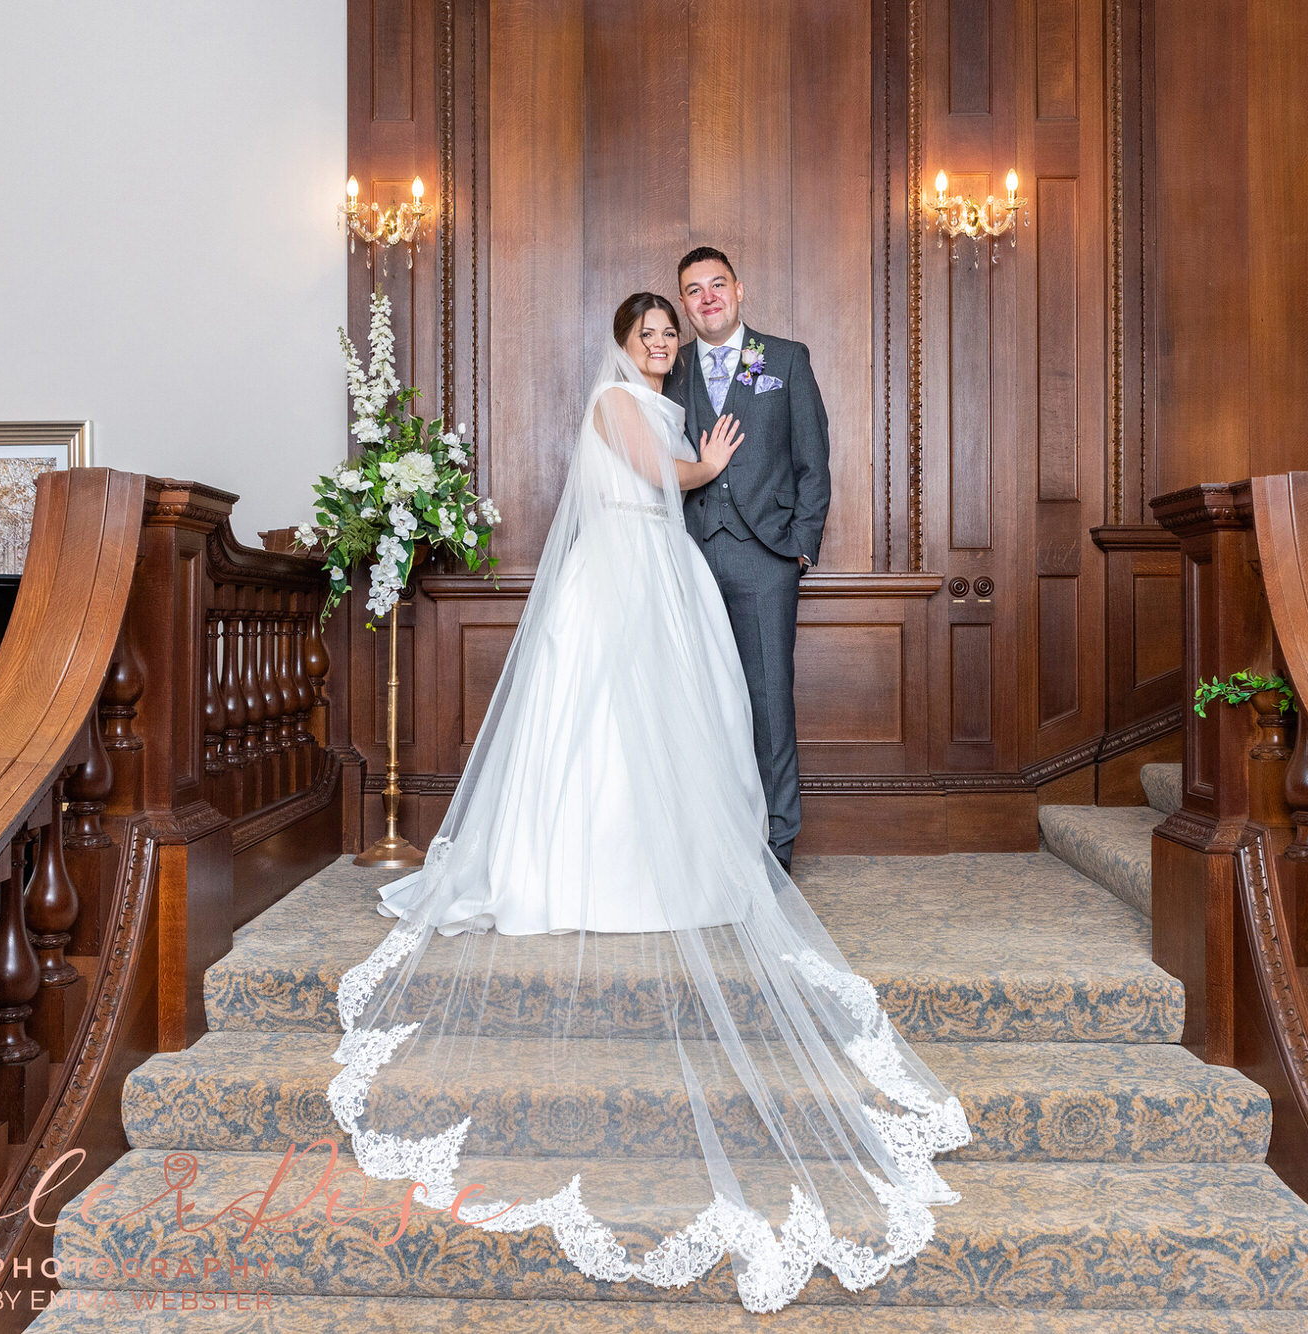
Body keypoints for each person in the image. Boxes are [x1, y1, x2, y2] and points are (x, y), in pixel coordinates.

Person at [331, 292, 965, 1314]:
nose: (662, 344)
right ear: (623, 346)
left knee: (676, 723)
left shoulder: (657, 396)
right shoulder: (621, 404)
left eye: (670, 334)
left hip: (663, 569)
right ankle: (585, 864)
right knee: (606, 725)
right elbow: (657, 476)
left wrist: (709, 471)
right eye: (649, 334)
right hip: (622, 572)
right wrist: (704, 467)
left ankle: (670, 858)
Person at [665, 247, 829, 873]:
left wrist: (801, 547)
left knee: (768, 703)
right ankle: (706, 846)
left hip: (767, 561)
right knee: (696, 701)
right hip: (690, 554)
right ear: (682, 303)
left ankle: (776, 846)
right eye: (693, 290)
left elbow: (815, 461)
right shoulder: (668, 366)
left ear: (740, 291)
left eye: (717, 285)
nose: (706, 297)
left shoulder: (784, 359)